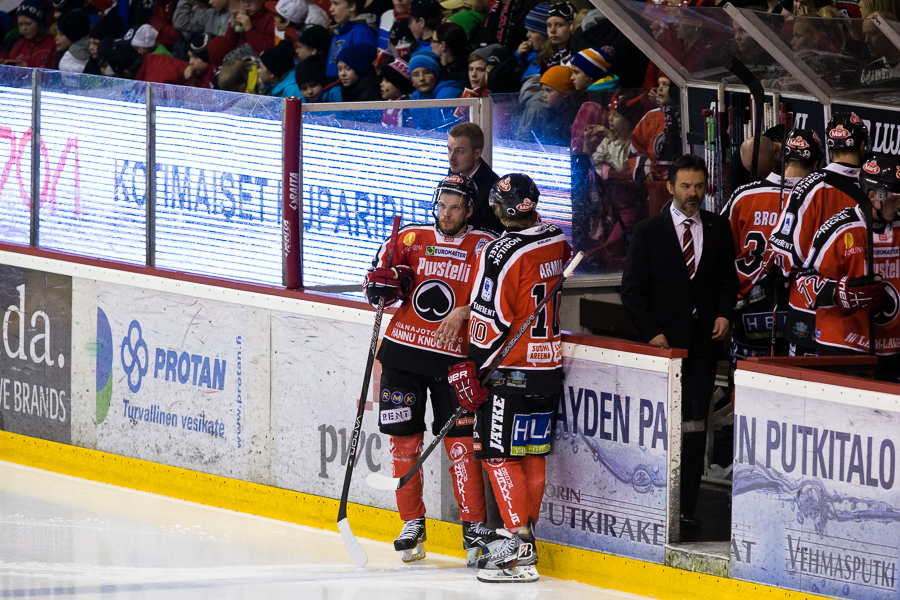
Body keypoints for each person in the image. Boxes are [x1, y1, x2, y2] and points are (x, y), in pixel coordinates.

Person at [364, 176, 502, 565]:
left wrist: (468, 310)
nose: (447, 212)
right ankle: (412, 523)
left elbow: (501, 299)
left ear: (469, 210)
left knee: (461, 449)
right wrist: (380, 287)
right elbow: (377, 279)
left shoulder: (486, 247)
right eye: (443, 204)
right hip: (402, 356)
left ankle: (474, 527)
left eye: (455, 206)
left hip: (453, 365)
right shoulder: (409, 237)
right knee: (404, 446)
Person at [448, 173, 571, 583]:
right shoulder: (556, 239)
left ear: (504, 209)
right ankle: (525, 540)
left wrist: (472, 365)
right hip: (548, 368)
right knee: (532, 455)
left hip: (509, 370)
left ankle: (518, 549)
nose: (493, 209)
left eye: (496, 204)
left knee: (499, 455)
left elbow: (490, 319)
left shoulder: (500, 252)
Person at [620, 154, 738, 531]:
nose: (693, 194)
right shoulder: (648, 231)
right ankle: (653, 504)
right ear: (670, 187)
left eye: (699, 187)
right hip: (662, 348)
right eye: (686, 186)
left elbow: (726, 281)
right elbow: (632, 292)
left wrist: (724, 313)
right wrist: (652, 334)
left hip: (702, 347)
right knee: (660, 429)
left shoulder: (719, 228)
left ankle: (685, 509)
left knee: (694, 429)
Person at [769, 112, 869, 356]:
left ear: (829, 148)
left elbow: (784, 257)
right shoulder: (877, 187)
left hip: (811, 312)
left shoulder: (810, 185)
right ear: (863, 145)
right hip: (865, 320)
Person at [723, 129, 822, 363]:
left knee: (747, 388)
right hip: (800, 314)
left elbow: (718, 252)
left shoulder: (743, 195)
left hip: (749, 312)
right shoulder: (819, 199)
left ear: (783, 157)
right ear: (817, 163)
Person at [802, 153, 900, 381]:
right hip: (845, 348)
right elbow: (804, 283)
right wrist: (840, 293)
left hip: (893, 350)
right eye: (894, 198)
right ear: (873, 196)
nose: (899, 204)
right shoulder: (838, 228)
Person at [447, 123, 501, 234]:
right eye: (449, 149)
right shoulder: (454, 172)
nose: (451, 157)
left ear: (477, 154)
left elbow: (489, 236)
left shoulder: (492, 189)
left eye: (459, 151)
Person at [326, 0, 377, 77]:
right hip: (333, 85)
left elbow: (364, 69)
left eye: (336, 3)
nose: (330, 9)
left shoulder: (361, 32)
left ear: (352, 6)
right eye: (331, 3)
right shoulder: (339, 30)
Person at [10, 0, 56, 69]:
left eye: (28, 24)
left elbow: (54, 76)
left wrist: (29, 72)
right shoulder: (18, 47)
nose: (24, 28)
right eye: (20, 24)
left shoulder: (53, 44)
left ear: (40, 24)